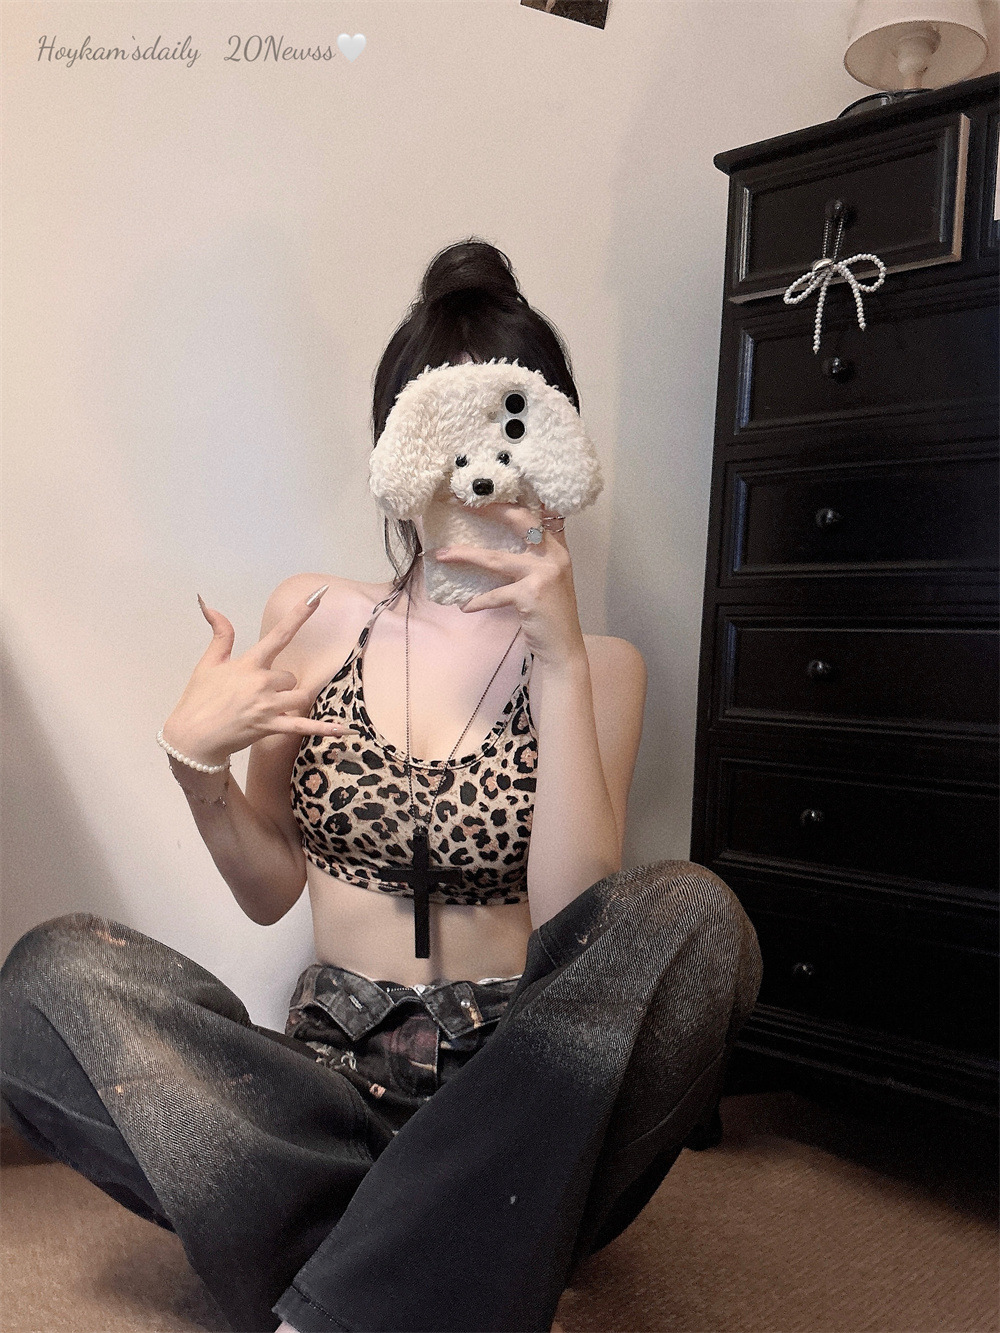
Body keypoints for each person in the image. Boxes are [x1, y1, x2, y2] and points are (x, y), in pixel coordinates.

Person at [0, 237, 763, 1333]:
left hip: (523, 1095)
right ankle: (450, 1259)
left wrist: (557, 658)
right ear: (396, 453)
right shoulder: (317, 617)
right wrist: (196, 767)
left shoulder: (601, 664)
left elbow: (576, 924)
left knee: (698, 917)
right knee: (50, 979)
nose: (473, 474)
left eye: (507, 429)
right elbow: (271, 888)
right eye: (440, 439)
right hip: (327, 1092)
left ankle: (347, 1278)